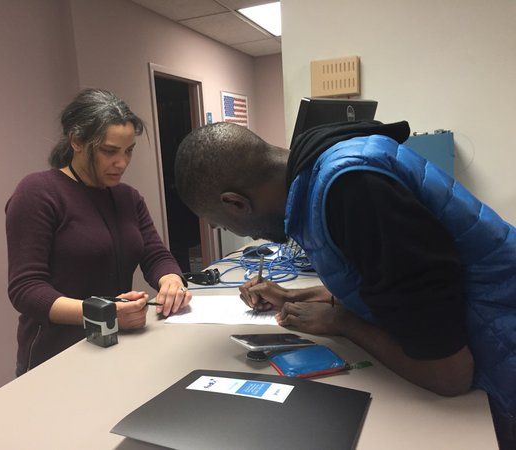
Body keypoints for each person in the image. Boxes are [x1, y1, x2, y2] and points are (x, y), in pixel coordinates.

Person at [174, 121, 516, 448]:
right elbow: (382, 279)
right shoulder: (324, 171)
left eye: (226, 224)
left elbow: (449, 375)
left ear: (236, 202)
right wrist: (294, 295)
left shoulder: (353, 191)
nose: (247, 235)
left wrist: (342, 323)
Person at [6, 88, 191, 375]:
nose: (122, 163)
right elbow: (26, 290)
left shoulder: (128, 197)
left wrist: (171, 281)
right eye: (110, 151)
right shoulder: (38, 192)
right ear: (76, 141)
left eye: (129, 151)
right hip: (56, 355)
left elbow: (154, 255)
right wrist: (105, 314)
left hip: (116, 344)